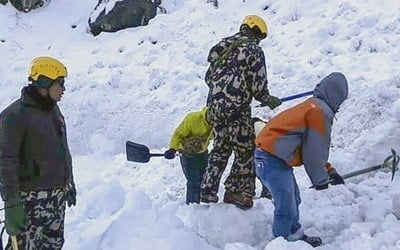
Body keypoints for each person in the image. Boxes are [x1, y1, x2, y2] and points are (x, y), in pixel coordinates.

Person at [254, 72, 348, 247]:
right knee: (286, 207)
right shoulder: (320, 111)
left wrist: (328, 171)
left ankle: (294, 236)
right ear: (337, 95)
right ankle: (281, 244)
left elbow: (310, 147)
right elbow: (315, 151)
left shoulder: (312, 105)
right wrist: (320, 179)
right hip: (271, 158)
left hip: (273, 157)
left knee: (293, 200)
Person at [200, 15, 281, 209]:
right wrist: (268, 99)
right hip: (237, 108)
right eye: (260, 36)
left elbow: (208, 78)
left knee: (220, 149)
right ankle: (237, 192)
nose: (259, 40)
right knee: (245, 151)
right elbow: (258, 86)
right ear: (256, 31)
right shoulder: (253, 49)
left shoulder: (222, 48)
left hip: (214, 109)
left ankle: (207, 190)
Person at [0, 56, 76, 250]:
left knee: (54, 245)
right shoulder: (14, 116)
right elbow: (5, 162)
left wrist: (69, 182)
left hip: (56, 199)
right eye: (60, 83)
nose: (64, 89)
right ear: (44, 83)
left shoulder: (53, 111)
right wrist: (12, 203)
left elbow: (62, 149)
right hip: (29, 202)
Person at [164, 107, 213, 205]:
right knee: (194, 180)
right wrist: (173, 149)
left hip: (202, 153)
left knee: (204, 178)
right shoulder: (192, 118)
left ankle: (204, 206)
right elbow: (178, 134)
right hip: (188, 155)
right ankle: (192, 207)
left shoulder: (220, 124)